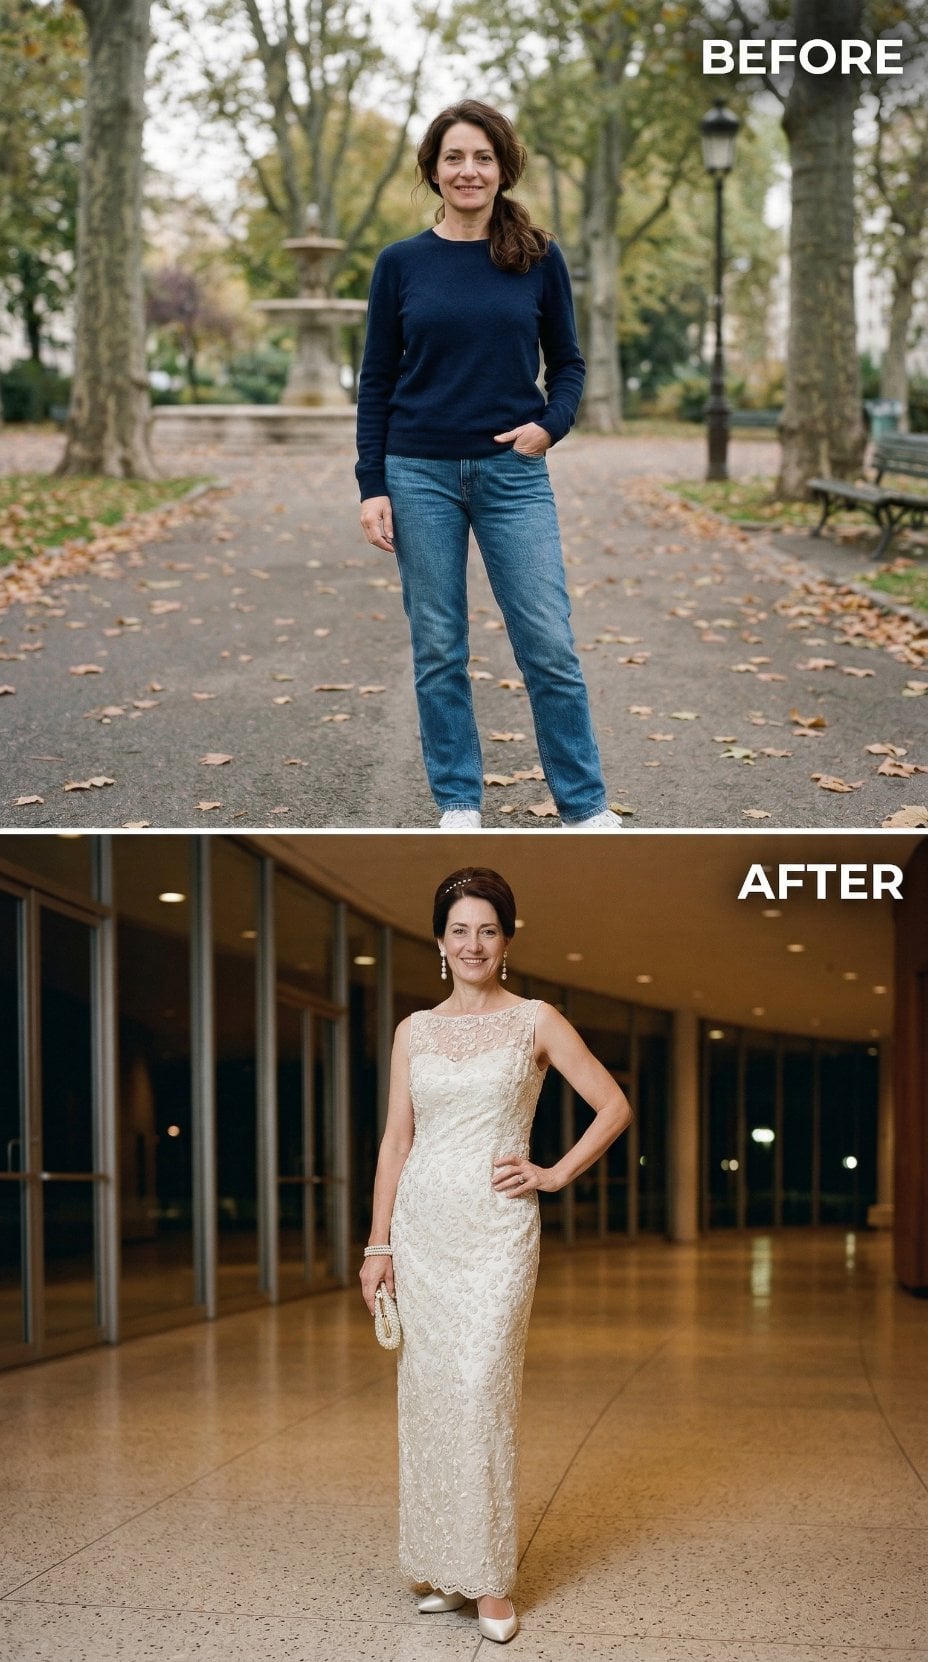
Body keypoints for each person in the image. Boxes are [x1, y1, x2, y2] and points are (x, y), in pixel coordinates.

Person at [359, 866, 632, 1643]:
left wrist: (554, 1173)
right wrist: (378, 1243)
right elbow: (396, 1142)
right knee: (431, 1396)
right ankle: (444, 1566)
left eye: (487, 929)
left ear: (506, 941)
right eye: (458, 930)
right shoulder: (415, 1030)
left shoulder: (536, 1020)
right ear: (440, 943)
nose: (472, 943)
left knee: (480, 1390)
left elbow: (613, 1104)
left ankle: (488, 1581)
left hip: (497, 1233)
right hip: (422, 1229)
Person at [355, 100, 622, 832]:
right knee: (439, 647)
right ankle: (459, 801)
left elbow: (567, 364)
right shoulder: (400, 264)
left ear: (502, 168)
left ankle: (585, 807)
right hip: (419, 474)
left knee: (549, 643)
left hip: (512, 477)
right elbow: (376, 378)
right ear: (433, 171)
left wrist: (549, 426)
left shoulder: (537, 254)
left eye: (481, 157)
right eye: (453, 158)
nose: (467, 170)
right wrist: (371, 485)